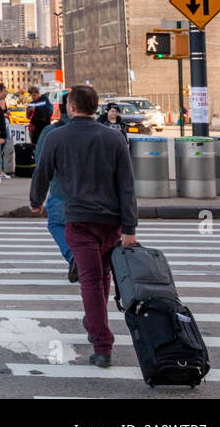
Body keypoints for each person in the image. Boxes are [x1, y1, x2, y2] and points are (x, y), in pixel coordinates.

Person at [28, 85, 138, 369]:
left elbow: (42, 173)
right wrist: (130, 229)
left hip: (79, 219)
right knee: (101, 278)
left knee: (90, 281)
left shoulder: (57, 137)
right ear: (96, 107)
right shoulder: (114, 139)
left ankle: (102, 345)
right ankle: (94, 324)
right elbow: (126, 186)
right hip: (111, 223)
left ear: (72, 107)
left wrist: (35, 202)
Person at [34, 93, 77, 283]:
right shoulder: (103, 131)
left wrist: (36, 199)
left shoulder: (52, 132)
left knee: (56, 224)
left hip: (61, 191)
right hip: (94, 195)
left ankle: (73, 257)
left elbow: (41, 163)